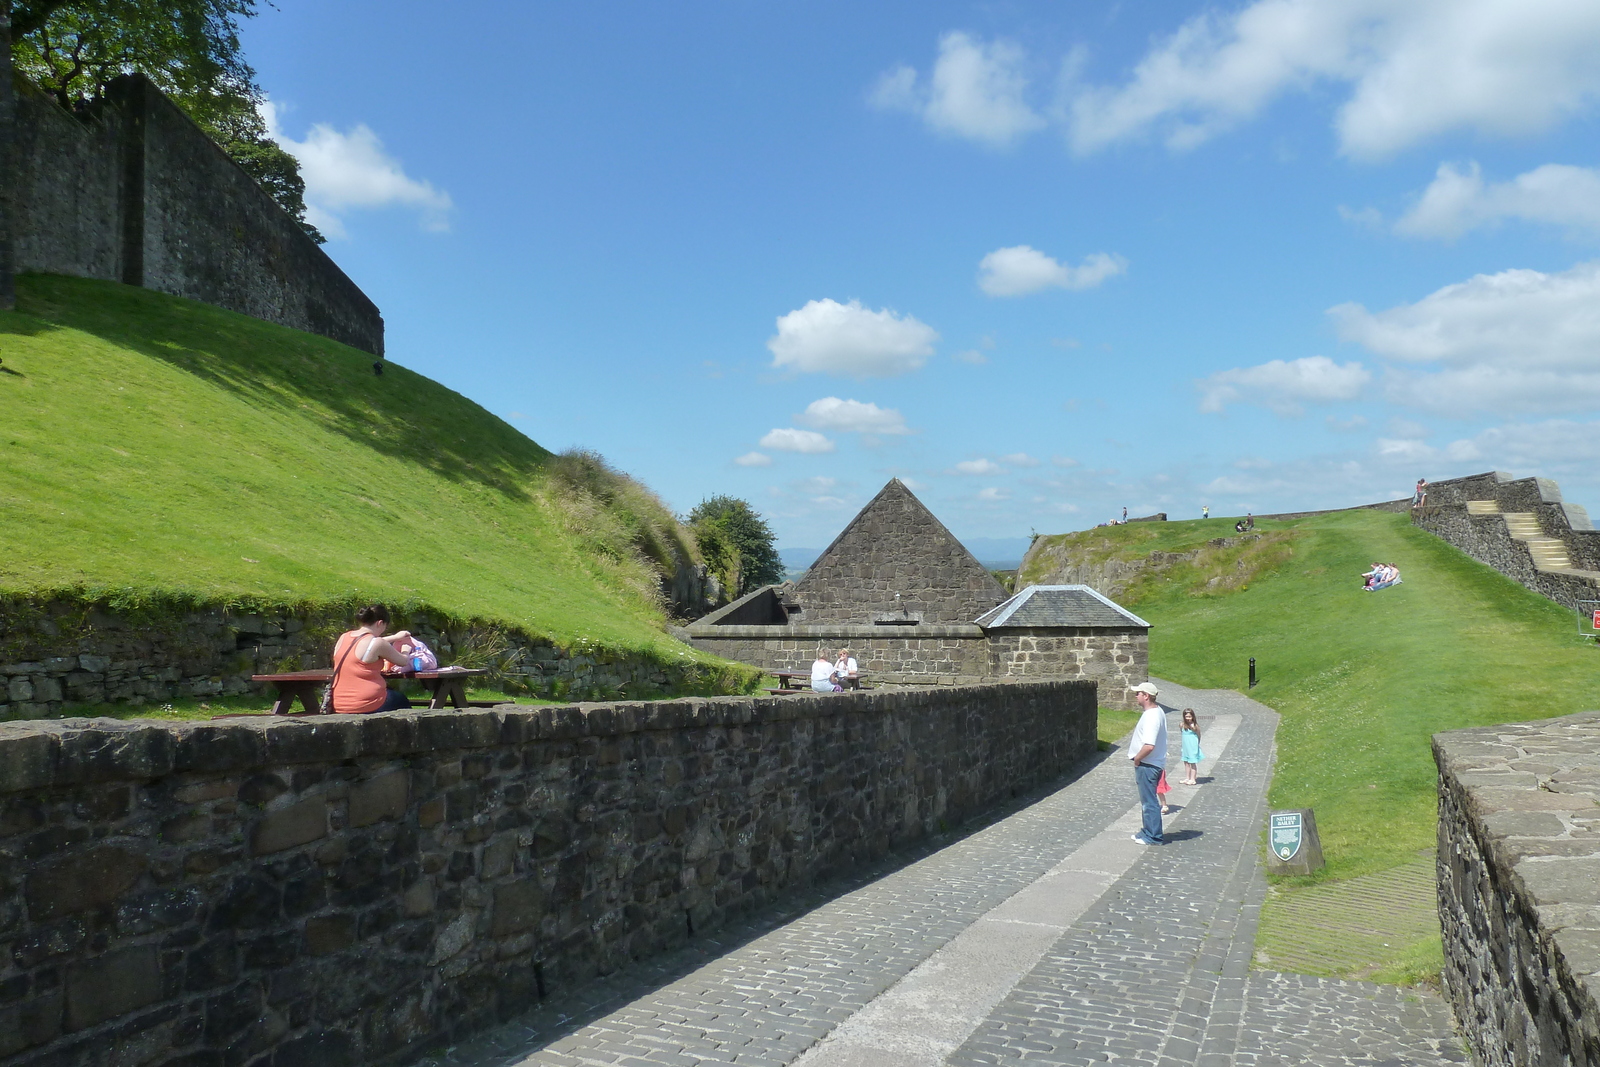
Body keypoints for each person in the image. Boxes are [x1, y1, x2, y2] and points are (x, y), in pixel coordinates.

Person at [329, 605, 414, 714]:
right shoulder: (377, 643)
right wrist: (405, 650)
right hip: (367, 703)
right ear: (380, 623)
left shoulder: (344, 637)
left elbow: (367, 644)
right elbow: (403, 661)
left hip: (338, 703)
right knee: (400, 700)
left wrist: (395, 637)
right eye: (385, 626)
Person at [1128, 681, 1167, 845]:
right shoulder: (1156, 712)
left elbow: (1149, 745)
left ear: (1146, 696)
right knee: (1146, 801)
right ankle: (1147, 830)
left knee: (1149, 802)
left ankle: (1153, 835)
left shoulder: (1152, 716)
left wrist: (1137, 758)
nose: (1136, 695)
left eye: (1138, 693)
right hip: (1151, 763)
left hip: (1148, 764)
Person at [1180, 708, 1205, 786]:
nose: (1188, 718)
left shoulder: (1195, 726)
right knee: (1186, 762)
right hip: (1186, 747)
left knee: (1192, 763)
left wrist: (1197, 744)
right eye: (1186, 717)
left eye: (1189, 717)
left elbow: (1198, 735)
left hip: (1192, 747)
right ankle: (1187, 777)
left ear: (1193, 717)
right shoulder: (1182, 725)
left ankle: (1193, 779)